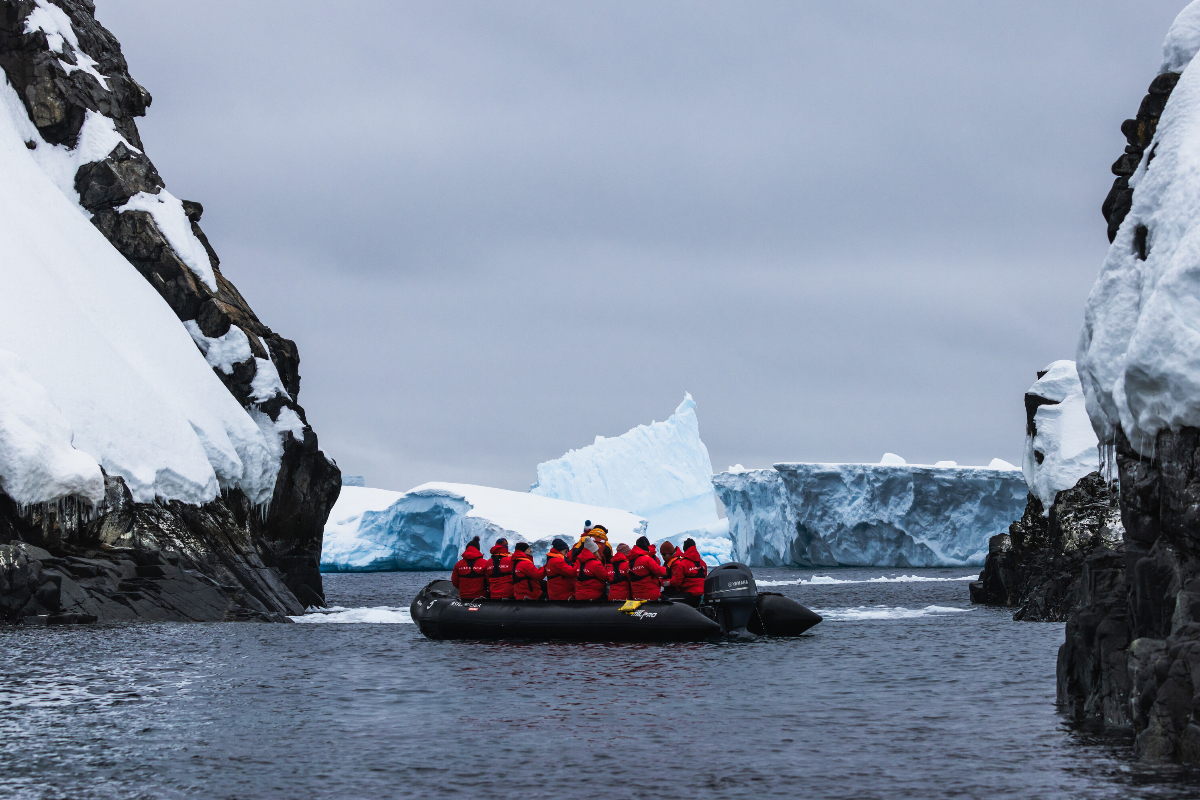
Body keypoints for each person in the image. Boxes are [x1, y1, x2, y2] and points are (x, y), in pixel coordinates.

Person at [670, 538, 708, 606]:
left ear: (685, 549)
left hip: (690, 595)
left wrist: (666, 582)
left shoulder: (683, 563)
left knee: (669, 601)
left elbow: (677, 582)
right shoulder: (703, 563)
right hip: (702, 595)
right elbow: (705, 578)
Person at [629, 535, 667, 600]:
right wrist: (667, 569)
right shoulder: (647, 559)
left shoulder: (630, 562)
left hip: (636, 596)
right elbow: (660, 571)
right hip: (651, 594)